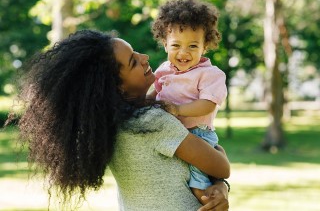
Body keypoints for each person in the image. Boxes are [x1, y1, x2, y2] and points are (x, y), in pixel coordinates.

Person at [9, 29, 230, 210]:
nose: (144, 58)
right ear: (115, 86)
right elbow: (221, 167)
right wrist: (220, 179)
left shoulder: (112, 123)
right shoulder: (151, 122)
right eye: (133, 62)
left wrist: (219, 186)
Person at [149, 0, 228, 204]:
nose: (184, 53)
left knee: (197, 185)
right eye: (176, 45)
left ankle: (209, 204)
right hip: (170, 132)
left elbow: (208, 104)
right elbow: (152, 95)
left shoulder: (210, 74)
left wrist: (178, 109)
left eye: (193, 46)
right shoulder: (163, 70)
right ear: (165, 44)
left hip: (198, 134)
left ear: (205, 47)